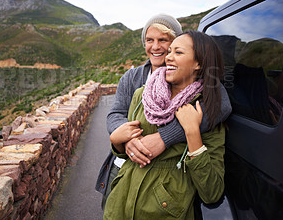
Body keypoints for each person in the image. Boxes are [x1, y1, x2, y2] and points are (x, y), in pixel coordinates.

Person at [95, 14, 231, 209]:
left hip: (163, 195)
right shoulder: (135, 83)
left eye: (164, 40)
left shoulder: (202, 95)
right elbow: (116, 114)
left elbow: (219, 105)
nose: (156, 47)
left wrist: (166, 137)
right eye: (149, 40)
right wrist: (125, 140)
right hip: (123, 171)